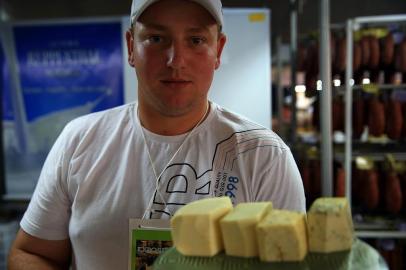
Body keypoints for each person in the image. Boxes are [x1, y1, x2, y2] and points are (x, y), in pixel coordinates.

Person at [8, 0, 306, 269]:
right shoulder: (79, 140)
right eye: (156, 38)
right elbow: (32, 253)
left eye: (196, 40)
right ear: (130, 48)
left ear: (219, 50)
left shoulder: (264, 155)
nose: (176, 60)